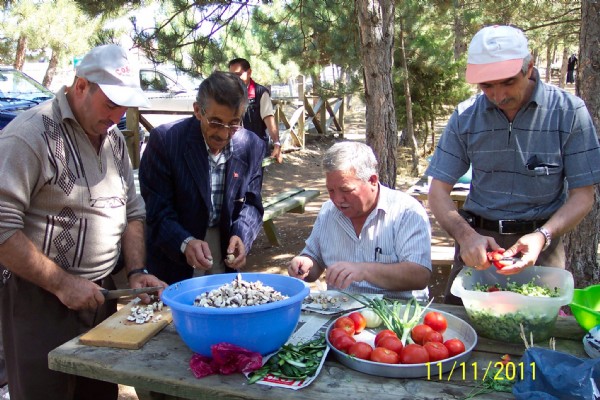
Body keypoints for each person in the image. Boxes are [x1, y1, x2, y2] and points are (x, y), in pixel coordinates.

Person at [0, 44, 167, 400]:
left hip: (101, 296)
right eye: (110, 103)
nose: (118, 114)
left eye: (125, 105)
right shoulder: (28, 135)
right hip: (40, 299)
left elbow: (133, 212)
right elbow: (2, 228)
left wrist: (136, 270)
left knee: (97, 394)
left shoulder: (115, 141)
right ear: (80, 86)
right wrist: (62, 284)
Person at [426, 25, 600, 304]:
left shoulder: (569, 112)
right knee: (465, 333)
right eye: (487, 86)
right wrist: (466, 236)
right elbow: (437, 192)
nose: (498, 96)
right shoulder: (466, 116)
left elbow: (583, 196)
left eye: (508, 82)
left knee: (536, 338)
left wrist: (542, 235)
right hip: (478, 247)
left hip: (542, 247)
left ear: (529, 67)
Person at [139, 71, 265, 285]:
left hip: (224, 247)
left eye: (234, 124)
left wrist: (242, 234)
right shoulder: (166, 142)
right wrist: (184, 242)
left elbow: (252, 203)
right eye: (215, 122)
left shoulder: (252, 145)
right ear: (197, 110)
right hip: (174, 252)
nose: (224, 135)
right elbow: (158, 211)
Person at [288, 141, 432, 301]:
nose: (337, 199)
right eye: (331, 190)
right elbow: (315, 259)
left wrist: (364, 271)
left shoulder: (406, 211)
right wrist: (304, 264)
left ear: (372, 180)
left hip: (396, 311)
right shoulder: (328, 211)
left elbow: (420, 275)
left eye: (346, 190)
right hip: (340, 311)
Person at [228, 58, 283, 163]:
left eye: (238, 75)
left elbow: (269, 120)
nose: (235, 79)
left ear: (249, 72)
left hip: (256, 149)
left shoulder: (261, 93)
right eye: (232, 76)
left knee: (254, 179)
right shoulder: (227, 94)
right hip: (233, 150)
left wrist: (277, 143)